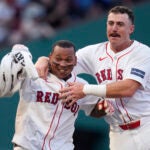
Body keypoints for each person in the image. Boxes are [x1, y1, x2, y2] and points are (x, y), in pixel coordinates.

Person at [35, 6, 150, 150]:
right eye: (110, 23)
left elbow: (128, 88)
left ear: (131, 29)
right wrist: (44, 59)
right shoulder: (94, 52)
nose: (114, 28)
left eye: (120, 24)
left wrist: (86, 89)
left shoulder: (142, 52)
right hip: (117, 132)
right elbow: (63, 65)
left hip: (145, 126)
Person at [0, 41, 113, 150]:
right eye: (58, 59)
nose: (63, 64)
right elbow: (5, 86)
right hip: (27, 146)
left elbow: (94, 109)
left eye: (68, 60)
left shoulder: (82, 85)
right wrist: (19, 50)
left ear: (75, 60)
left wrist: (106, 107)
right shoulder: (32, 76)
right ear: (50, 57)